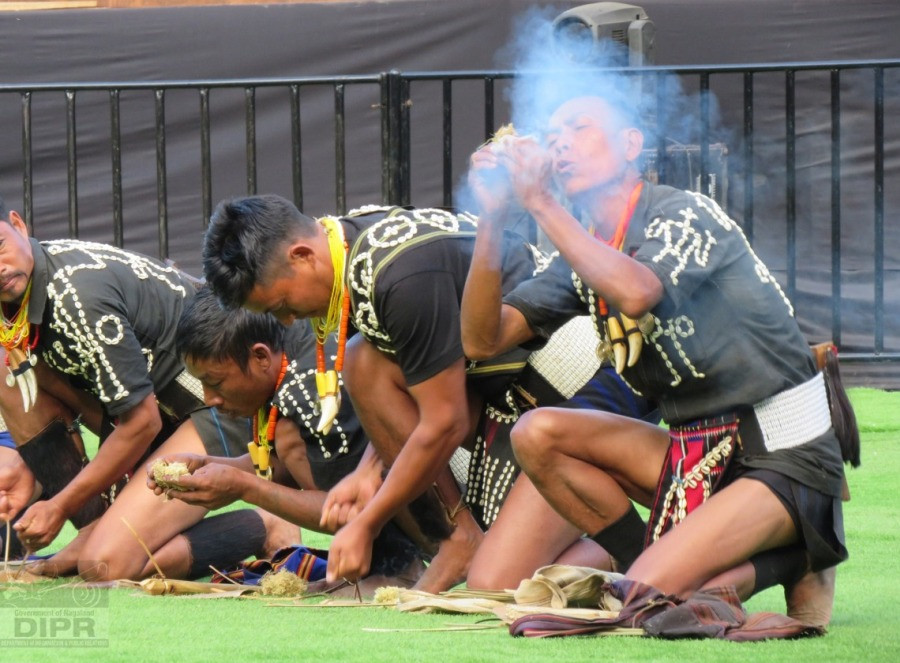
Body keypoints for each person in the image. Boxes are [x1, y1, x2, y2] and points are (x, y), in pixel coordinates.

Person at [461, 93, 852, 627]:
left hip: (782, 450)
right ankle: (645, 564)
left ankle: (802, 550)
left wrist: (541, 205)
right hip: (695, 456)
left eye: (579, 128)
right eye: (553, 138)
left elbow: (638, 292)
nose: (560, 145)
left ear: (631, 145)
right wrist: (492, 218)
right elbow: (483, 341)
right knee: (538, 432)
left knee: (650, 605)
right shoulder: (585, 251)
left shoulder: (683, 213)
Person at [202, 197, 658, 591]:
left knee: (493, 581)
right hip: (513, 403)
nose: (286, 321)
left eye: (281, 305)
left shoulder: (397, 274)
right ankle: (462, 539)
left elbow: (446, 421)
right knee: (364, 359)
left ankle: (651, 551)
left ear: (302, 255)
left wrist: (368, 521)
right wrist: (367, 470)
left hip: (581, 386)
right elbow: (413, 377)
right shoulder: (349, 247)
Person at [0, 197, 293, 579]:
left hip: (216, 405)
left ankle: (262, 523)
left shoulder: (77, 296)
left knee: (105, 565)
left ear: (19, 225)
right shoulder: (22, 294)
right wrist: (21, 460)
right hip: (150, 406)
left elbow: (141, 423)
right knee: (8, 364)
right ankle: (94, 528)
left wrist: (58, 505)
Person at [146, 288, 425, 591]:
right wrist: (206, 466)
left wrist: (243, 487)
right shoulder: (286, 354)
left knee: (288, 434)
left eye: (215, 382)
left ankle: (398, 565)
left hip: (442, 483)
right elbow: (279, 466)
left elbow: (349, 507)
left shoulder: (304, 390)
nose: (209, 398)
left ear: (260, 356)